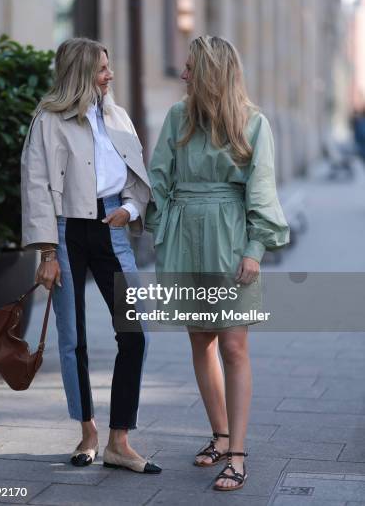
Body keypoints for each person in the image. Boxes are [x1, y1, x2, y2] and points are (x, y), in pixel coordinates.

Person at [146, 36, 289, 491]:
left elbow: (261, 190)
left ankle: (239, 453)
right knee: (201, 341)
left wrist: (255, 250)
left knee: (234, 346)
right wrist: (156, 228)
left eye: (190, 68)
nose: (182, 74)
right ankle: (220, 435)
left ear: (210, 74)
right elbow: (158, 180)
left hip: (230, 238)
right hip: (187, 237)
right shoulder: (177, 118)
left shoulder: (253, 123)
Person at [21, 37, 161, 474]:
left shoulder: (119, 117)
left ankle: (120, 441)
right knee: (73, 338)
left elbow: (139, 178)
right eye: (102, 68)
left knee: (134, 332)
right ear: (82, 73)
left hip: (111, 226)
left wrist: (131, 210)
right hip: (64, 232)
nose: (110, 74)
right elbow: (36, 186)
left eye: (110, 66)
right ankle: (88, 432)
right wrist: (47, 251)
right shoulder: (48, 120)